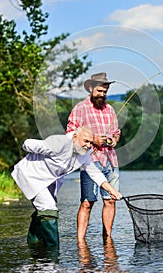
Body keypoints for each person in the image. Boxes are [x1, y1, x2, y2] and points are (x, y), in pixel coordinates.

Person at [11, 126, 122, 248]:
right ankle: (52, 251)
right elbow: (27, 144)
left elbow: (94, 173)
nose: (89, 145)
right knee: (49, 208)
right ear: (74, 137)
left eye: (91, 142)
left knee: (43, 211)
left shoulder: (84, 153)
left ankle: (34, 244)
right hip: (32, 176)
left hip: (49, 180)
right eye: (86, 141)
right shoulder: (59, 143)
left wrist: (112, 190)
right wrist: (34, 151)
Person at [66, 72, 121, 240]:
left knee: (110, 200)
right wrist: (93, 140)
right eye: (99, 91)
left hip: (111, 160)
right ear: (90, 88)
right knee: (87, 202)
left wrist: (112, 140)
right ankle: (81, 240)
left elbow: (117, 133)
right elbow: (70, 133)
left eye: (105, 91)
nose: (102, 95)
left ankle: (107, 237)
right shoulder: (80, 109)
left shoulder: (110, 109)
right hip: (90, 161)